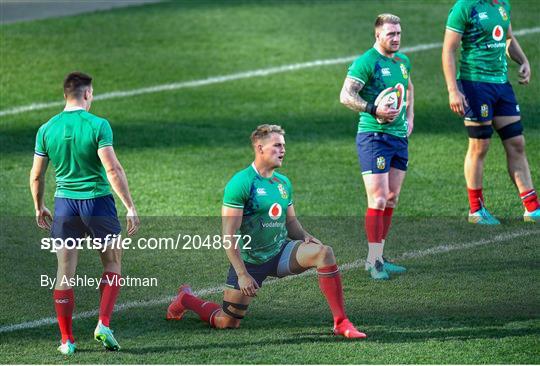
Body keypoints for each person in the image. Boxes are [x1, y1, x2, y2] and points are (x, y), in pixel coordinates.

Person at [167, 124, 366, 339]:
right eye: (277, 145)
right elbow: (229, 235)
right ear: (260, 148)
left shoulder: (283, 183)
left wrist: (304, 236)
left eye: (284, 146)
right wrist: (242, 274)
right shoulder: (241, 183)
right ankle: (186, 299)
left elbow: (290, 222)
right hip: (250, 261)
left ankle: (341, 322)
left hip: (280, 252)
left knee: (324, 252)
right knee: (226, 322)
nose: (283, 150)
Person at [30, 72, 140, 355]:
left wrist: (38, 205)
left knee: (64, 273)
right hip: (98, 203)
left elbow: (37, 176)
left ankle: (67, 340)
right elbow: (112, 169)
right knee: (112, 264)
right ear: (87, 94)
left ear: (65, 94)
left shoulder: (47, 129)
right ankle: (103, 323)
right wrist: (130, 206)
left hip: (65, 205)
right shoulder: (98, 125)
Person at [442, 0, 539, 224]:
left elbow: (507, 38)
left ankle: (532, 208)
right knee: (480, 145)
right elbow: (449, 49)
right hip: (475, 84)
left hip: (501, 86)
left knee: (517, 143)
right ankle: (476, 210)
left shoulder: (503, 4)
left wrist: (523, 61)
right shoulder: (465, 7)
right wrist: (452, 90)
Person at [339, 14, 414, 280]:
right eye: (390, 34)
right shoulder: (366, 62)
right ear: (377, 35)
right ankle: (373, 262)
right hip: (374, 137)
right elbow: (346, 95)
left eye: (398, 33)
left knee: (392, 197)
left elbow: (408, 87)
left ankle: (379, 255)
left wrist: (410, 118)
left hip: (398, 138)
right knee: (379, 198)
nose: (396, 38)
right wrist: (373, 109)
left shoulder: (402, 62)